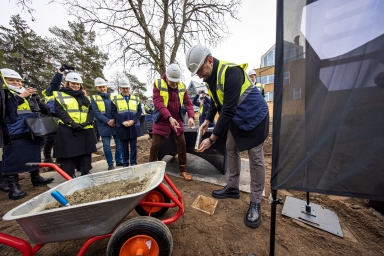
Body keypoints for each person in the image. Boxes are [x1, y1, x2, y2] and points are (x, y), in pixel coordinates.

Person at [186, 45, 269, 228]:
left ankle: (255, 201)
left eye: (200, 71)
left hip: (254, 116)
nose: (200, 76)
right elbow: (216, 103)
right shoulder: (209, 78)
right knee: (231, 148)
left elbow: (228, 109)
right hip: (237, 119)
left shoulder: (231, 72)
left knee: (255, 157)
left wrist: (212, 138)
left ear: (209, 60)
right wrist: (208, 120)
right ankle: (233, 187)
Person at [0, 68, 54, 200]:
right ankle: (13, 187)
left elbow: (45, 112)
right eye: (11, 80)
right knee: (13, 159)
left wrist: (38, 101)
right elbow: (5, 111)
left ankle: (36, 177)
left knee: (34, 155)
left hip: (31, 131)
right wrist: (20, 97)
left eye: (18, 80)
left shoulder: (26, 93)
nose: (16, 83)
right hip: (14, 132)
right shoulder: (4, 94)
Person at [148, 63, 195, 181]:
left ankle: (183, 169)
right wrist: (169, 118)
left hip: (177, 118)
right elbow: (158, 103)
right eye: (172, 82)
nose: (174, 85)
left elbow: (188, 102)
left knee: (182, 143)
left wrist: (191, 116)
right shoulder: (158, 84)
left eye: (176, 82)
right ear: (167, 77)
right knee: (155, 145)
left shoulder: (182, 86)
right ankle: (150, 170)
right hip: (162, 118)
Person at [53, 72, 96, 177]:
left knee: (86, 151)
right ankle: (69, 173)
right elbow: (60, 111)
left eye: (78, 84)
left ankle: (85, 170)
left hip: (85, 127)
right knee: (69, 153)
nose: (76, 86)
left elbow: (90, 111)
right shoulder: (60, 95)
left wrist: (88, 121)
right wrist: (71, 123)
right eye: (73, 83)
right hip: (68, 128)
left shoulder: (85, 97)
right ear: (68, 83)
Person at [42, 64, 75, 163]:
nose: (60, 88)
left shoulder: (63, 94)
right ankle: (47, 157)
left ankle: (59, 157)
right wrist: (60, 72)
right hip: (50, 116)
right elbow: (54, 84)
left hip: (61, 116)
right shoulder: (51, 92)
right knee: (50, 138)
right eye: (59, 86)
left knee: (60, 138)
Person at [91, 77, 123, 170]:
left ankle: (119, 160)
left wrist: (114, 119)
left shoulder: (113, 97)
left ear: (106, 86)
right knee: (106, 145)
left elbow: (117, 109)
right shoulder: (94, 98)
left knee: (119, 144)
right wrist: (107, 121)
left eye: (103, 87)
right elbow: (96, 112)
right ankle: (110, 163)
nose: (102, 89)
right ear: (97, 88)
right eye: (100, 87)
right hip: (103, 125)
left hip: (115, 124)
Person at [111, 78, 142, 166]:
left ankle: (133, 162)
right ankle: (125, 163)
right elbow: (114, 112)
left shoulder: (136, 99)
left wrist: (133, 120)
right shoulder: (115, 99)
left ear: (129, 88)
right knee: (123, 147)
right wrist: (122, 122)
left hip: (133, 125)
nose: (126, 90)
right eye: (124, 88)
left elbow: (139, 112)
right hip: (122, 126)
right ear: (120, 88)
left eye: (127, 88)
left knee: (133, 147)